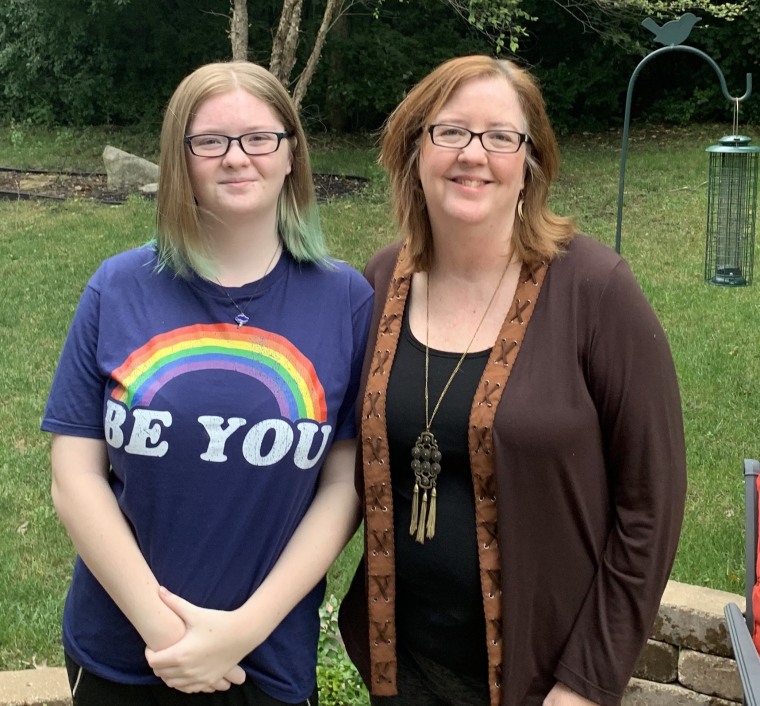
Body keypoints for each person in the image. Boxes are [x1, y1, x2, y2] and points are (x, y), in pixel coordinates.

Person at [338, 55, 686, 706]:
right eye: (451, 132)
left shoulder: (596, 292)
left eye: (501, 136)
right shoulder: (381, 281)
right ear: (414, 150)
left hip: (540, 680)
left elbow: (651, 507)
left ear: (530, 160)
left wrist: (584, 684)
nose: (475, 154)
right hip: (399, 667)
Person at [41, 61, 373, 706]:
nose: (235, 158)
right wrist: (166, 633)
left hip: (266, 657)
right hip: (121, 652)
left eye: (259, 138)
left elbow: (343, 484)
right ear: (180, 158)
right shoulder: (118, 286)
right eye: (209, 141)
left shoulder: (347, 300)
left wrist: (240, 633)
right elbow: (74, 476)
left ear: (290, 154)